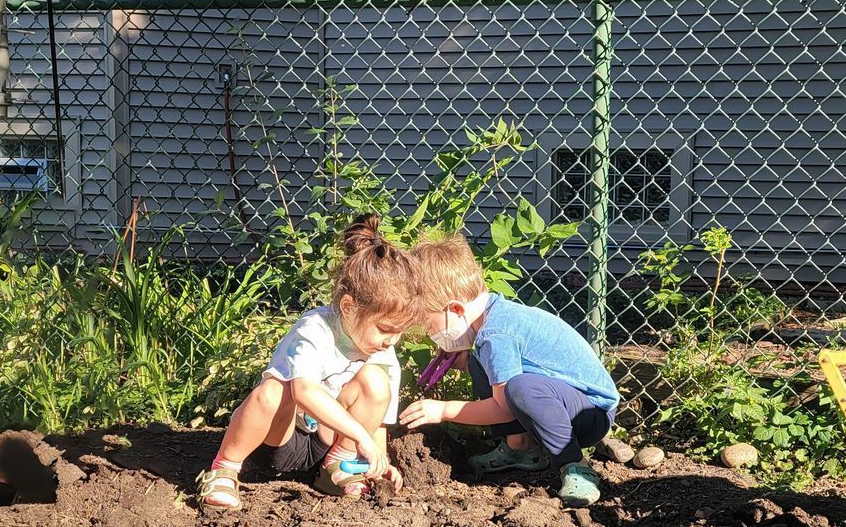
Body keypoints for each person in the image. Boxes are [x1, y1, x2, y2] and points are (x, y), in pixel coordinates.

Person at [199, 215, 412, 508]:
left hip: (328, 443)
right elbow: (303, 392)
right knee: (276, 389)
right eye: (385, 329)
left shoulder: (381, 349)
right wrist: (360, 435)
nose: (392, 340)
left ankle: (335, 467)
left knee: (376, 382)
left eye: (399, 331)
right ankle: (225, 468)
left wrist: (379, 459)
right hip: (281, 438)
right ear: (349, 307)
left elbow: (377, 417)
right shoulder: (315, 328)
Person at [399, 233, 620, 507]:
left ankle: (576, 466)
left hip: (591, 413)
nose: (431, 334)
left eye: (431, 326)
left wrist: (442, 410)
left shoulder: (497, 335)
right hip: (568, 403)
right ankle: (521, 447)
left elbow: (503, 406)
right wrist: (466, 356)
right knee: (482, 364)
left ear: (455, 309)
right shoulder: (493, 318)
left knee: (520, 388)